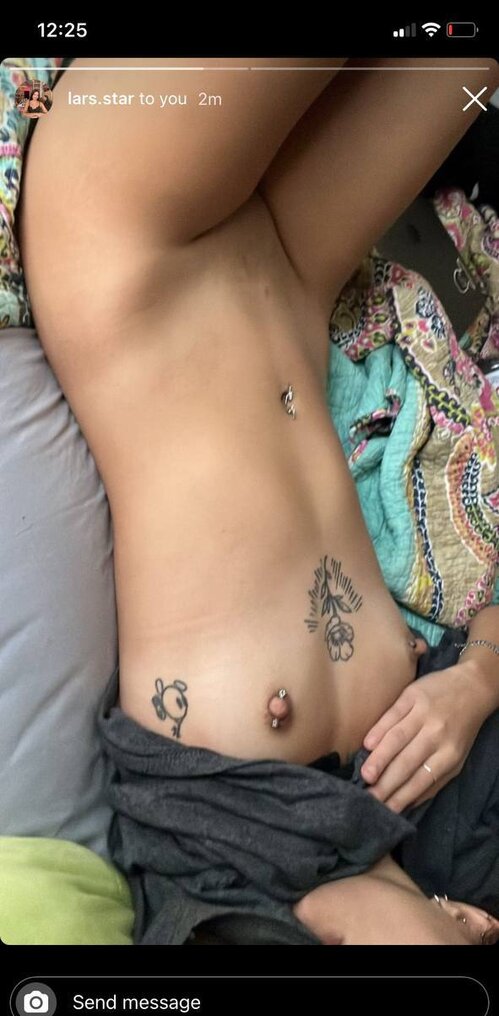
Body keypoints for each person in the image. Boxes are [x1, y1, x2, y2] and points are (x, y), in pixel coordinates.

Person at [18, 56, 499, 945]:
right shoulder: (457, 839)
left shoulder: (214, 903)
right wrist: (477, 677)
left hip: (129, 252)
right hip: (289, 274)